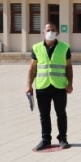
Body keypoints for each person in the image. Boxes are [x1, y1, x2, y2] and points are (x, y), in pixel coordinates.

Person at [26, 22, 73, 151]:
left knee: (61, 114)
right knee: (44, 115)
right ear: (43, 32)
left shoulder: (64, 47)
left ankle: (62, 139)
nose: (50, 32)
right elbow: (32, 68)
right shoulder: (36, 47)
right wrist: (29, 85)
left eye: (53, 30)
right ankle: (45, 139)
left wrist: (70, 83)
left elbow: (69, 67)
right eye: (48, 30)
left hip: (59, 86)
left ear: (57, 33)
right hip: (42, 86)